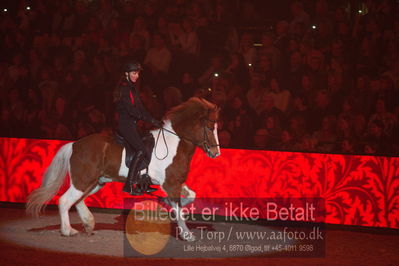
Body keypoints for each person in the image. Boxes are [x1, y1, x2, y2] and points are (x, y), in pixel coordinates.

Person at [114, 59, 162, 195]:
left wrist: (154, 120)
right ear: (126, 74)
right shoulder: (124, 88)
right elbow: (132, 111)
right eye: (134, 73)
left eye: (137, 73)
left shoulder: (132, 88)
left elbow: (141, 107)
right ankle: (129, 185)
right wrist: (148, 119)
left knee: (147, 143)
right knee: (141, 150)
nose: (137, 76)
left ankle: (143, 182)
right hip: (125, 124)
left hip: (133, 124)